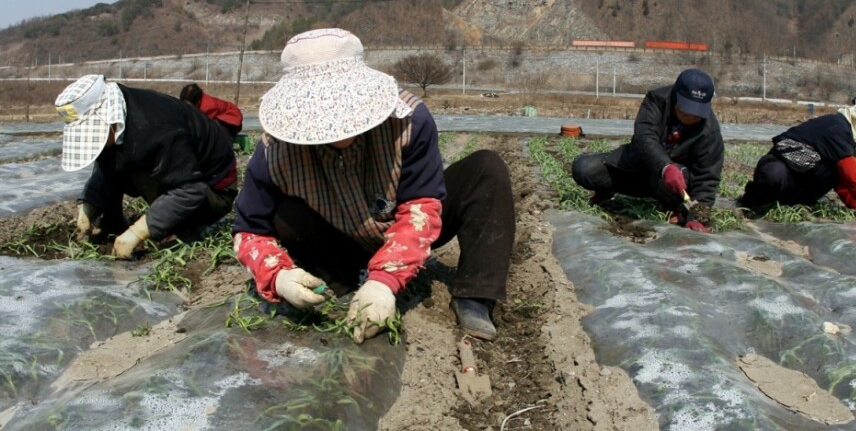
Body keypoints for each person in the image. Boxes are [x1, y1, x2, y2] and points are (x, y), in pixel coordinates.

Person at [232, 28, 516, 344]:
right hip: (339, 239)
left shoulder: (409, 121)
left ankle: (474, 296)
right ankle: (341, 279)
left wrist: (384, 280)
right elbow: (249, 231)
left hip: (398, 223)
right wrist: (278, 276)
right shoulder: (274, 151)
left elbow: (420, 208)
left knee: (486, 169)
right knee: (285, 213)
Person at [54, 74, 239, 258]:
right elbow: (107, 167)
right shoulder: (124, 113)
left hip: (213, 191)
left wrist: (137, 233)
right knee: (112, 157)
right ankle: (113, 222)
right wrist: (89, 204)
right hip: (188, 181)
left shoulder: (155, 129)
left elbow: (191, 189)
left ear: (109, 119)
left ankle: (183, 230)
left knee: (139, 170)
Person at [570, 68, 724, 233]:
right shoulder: (656, 100)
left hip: (671, 185)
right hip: (636, 166)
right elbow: (644, 137)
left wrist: (696, 217)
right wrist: (665, 166)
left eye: (696, 113)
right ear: (675, 96)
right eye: (686, 110)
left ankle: (674, 207)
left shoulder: (709, 131)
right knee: (584, 168)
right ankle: (606, 190)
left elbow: (707, 177)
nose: (691, 117)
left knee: (676, 175)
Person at [738, 94, 856, 223]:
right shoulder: (837, 128)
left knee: (834, 169)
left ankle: (789, 203)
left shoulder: (844, 138)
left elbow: (841, 180)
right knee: (774, 175)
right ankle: (751, 201)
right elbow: (853, 176)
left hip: (801, 179)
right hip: (783, 168)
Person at [179, 83, 244, 139]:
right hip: (221, 120)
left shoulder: (208, 107)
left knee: (211, 129)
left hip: (232, 122)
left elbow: (201, 125)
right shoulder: (195, 101)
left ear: (198, 102)